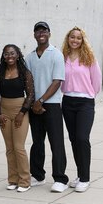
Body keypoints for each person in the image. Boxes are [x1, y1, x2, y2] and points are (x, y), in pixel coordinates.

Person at [25, 21, 69, 192]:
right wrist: (34, 103)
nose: (41, 33)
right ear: (34, 35)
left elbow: (57, 81)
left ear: (49, 33)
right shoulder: (29, 57)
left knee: (56, 142)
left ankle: (60, 179)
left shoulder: (56, 54)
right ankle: (37, 175)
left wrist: (41, 101)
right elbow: (28, 83)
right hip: (34, 106)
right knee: (37, 142)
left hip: (50, 105)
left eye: (44, 30)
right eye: (38, 31)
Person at [61, 27, 102, 192]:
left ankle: (85, 178)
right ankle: (80, 174)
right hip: (68, 101)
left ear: (82, 40)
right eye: (72, 37)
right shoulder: (63, 57)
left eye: (78, 38)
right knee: (73, 139)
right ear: (68, 38)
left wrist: (88, 93)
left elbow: (97, 81)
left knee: (82, 138)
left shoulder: (89, 58)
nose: (75, 40)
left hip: (85, 102)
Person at [0, 44, 34, 192]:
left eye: (12, 53)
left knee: (19, 147)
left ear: (18, 55)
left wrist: (22, 113)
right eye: (6, 54)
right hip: (4, 110)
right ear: (3, 56)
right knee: (9, 148)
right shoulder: (0, 73)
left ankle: (25, 181)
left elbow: (30, 95)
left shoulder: (25, 73)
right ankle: (13, 179)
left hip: (19, 110)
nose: (9, 56)